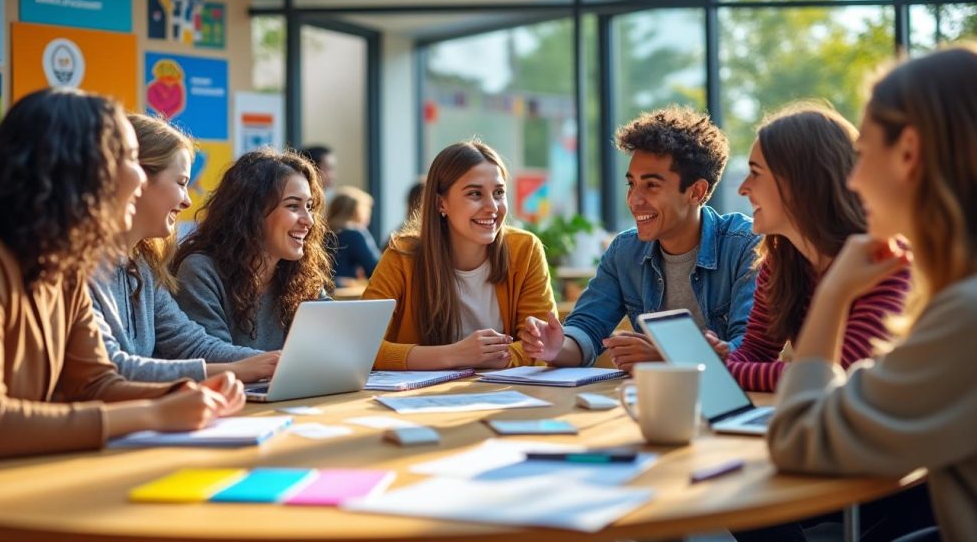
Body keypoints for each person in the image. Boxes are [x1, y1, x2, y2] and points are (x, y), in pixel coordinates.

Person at [0, 88, 243, 461]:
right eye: (128, 159)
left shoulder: (64, 269)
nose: (140, 179)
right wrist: (154, 413)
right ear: (80, 169)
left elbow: (95, 382)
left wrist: (183, 393)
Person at [766, 44, 977, 541]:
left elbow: (798, 437)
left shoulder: (965, 316)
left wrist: (835, 291)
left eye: (861, 156)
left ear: (908, 152)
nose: (853, 180)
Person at [522, 106, 759, 371]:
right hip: (652, 400)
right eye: (631, 184)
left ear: (696, 192)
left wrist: (666, 357)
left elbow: (750, 350)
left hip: (732, 403)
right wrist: (556, 348)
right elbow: (586, 329)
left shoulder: (745, 246)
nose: (634, 199)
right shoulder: (625, 252)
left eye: (651, 185)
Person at [712, 103, 911, 392]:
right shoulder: (781, 260)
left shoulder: (884, 259)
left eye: (755, 172)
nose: (743, 187)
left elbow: (837, 374)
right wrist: (726, 366)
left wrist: (724, 370)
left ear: (800, 181)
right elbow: (756, 351)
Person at [87, 115, 279, 384]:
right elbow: (111, 368)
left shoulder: (142, 266)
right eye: (181, 182)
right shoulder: (78, 267)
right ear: (136, 179)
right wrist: (239, 369)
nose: (188, 201)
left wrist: (271, 362)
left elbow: (192, 344)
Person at [362, 140, 555, 370]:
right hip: (418, 401)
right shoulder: (402, 255)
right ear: (440, 203)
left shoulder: (525, 249)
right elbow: (361, 347)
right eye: (475, 194)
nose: (492, 206)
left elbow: (539, 345)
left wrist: (494, 356)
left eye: (499, 193)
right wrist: (456, 355)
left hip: (501, 397)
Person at [172, 149, 332, 351]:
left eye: (309, 207)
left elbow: (333, 337)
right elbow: (211, 354)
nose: (308, 220)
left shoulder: (300, 274)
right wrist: (279, 364)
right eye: (293, 206)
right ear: (251, 213)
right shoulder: (201, 270)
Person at [327, 185, 381, 286]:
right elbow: (377, 270)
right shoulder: (355, 234)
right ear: (358, 212)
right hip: (345, 296)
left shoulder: (322, 233)